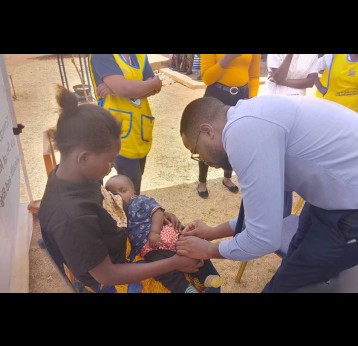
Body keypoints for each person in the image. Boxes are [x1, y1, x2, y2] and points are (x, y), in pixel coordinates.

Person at [177, 95, 358, 293]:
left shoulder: (242, 133)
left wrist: (209, 250)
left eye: (195, 150)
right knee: (290, 270)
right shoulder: (250, 118)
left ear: (207, 131)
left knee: (288, 286)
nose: (202, 160)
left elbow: (263, 239)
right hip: (329, 202)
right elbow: (272, 216)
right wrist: (212, 232)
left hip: (348, 211)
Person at [38, 85, 203, 293]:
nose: (112, 167)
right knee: (193, 280)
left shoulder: (74, 174)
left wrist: (153, 215)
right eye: (109, 160)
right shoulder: (71, 217)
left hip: (122, 245)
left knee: (189, 251)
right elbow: (108, 275)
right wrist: (173, 264)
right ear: (84, 157)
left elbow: (109, 207)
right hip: (111, 278)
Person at [105, 174, 222, 293]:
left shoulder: (139, 200)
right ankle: (185, 288)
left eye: (123, 190)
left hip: (164, 235)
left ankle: (206, 277)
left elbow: (157, 211)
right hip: (150, 249)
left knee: (193, 250)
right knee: (163, 272)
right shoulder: (118, 214)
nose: (118, 196)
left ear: (133, 192)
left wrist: (154, 232)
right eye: (113, 194)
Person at [89, 54, 162, 195]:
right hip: (117, 134)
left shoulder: (139, 56)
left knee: (136, 182)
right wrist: (152, 83)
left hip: (138, 130)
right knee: (131, 187)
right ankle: (127, 215)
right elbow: (125, 89)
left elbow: (154, 90)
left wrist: (118, 89)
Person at [196, 54, 261, 198]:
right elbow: (207, 78)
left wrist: (251, 99)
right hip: (216, 95)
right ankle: (202, 181)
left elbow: (254, 75)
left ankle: (227, 177)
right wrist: (228, 58)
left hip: (241, 97)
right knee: (206, 137)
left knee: (235, 138)